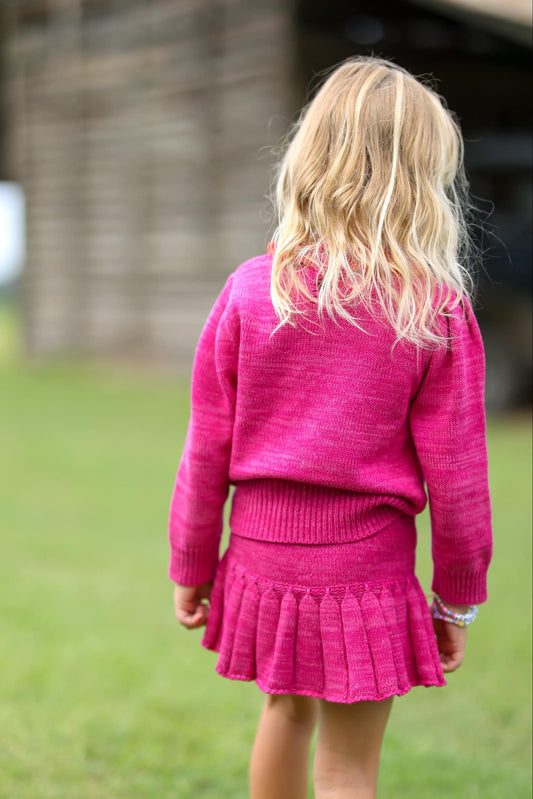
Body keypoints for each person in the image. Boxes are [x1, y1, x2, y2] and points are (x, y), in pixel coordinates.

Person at [167, 55, 493, 799]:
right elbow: (459, 476)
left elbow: (204, 446)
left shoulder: (252, 290)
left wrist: (191, 562)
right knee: (348, 767)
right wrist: (456, 598)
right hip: (365, 574)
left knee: (283, 715)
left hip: (260, 558)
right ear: (423, 178)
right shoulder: (432, 310)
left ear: (308, 160)